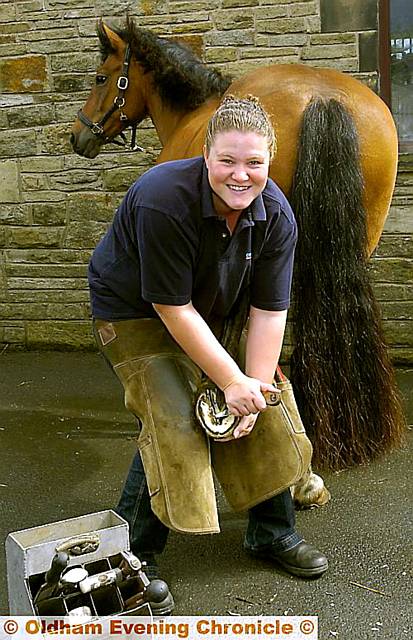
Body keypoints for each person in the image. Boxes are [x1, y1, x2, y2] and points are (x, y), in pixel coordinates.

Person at [88, 95, 328, 600]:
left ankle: (272, 531)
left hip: (209, 303)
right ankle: (133, 559)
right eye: (227, 161)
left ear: (269, 160)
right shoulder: (162, 199)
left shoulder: (277, 216)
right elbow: (171, 309)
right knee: (173, 414)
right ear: (205, 155)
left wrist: (252, 387)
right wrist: (228, 379)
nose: (240, 175)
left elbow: (269, 312)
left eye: (254, 163)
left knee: (266, 399)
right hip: (134, 310)